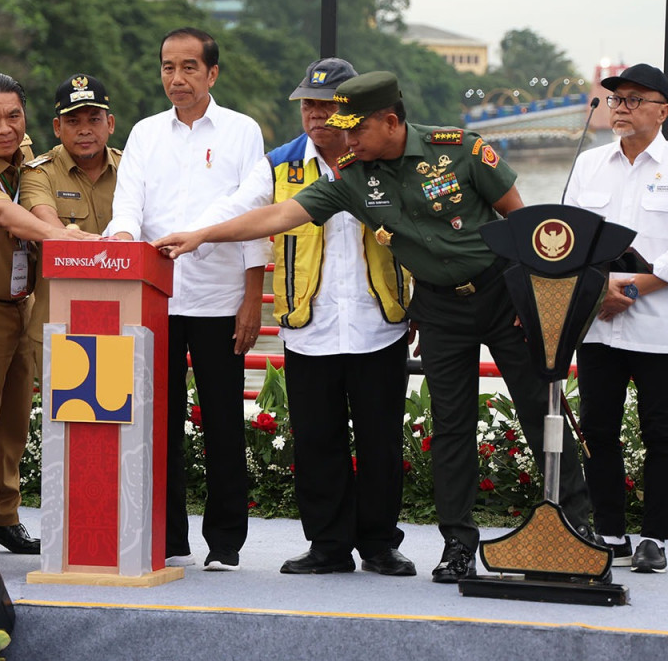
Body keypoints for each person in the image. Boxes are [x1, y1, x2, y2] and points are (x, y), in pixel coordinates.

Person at [153, 71, 594, 583]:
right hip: (440, 309)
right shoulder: (353, 177)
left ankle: (576, 528)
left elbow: (523, 221)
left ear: (390, 120)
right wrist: (202, 235)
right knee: (451, 427)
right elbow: (277, 216)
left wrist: (535, 290)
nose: (349, 139)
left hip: (502, 296)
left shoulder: (461, 150)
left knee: (542, 411)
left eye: (357, 129)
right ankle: (457, 544)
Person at [190, 57, 417, 576]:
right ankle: (328, 545)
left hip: (377, 321)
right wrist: (193, 234)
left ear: (352, 109)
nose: (315, 114)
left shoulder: (385, 162)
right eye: (308, 104)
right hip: (308, 325)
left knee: (380, 439)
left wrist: (420, 299)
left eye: (328, 105)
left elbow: (423, 233)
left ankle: (380, 543)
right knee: (316, 440)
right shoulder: (280, 166)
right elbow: (239, 208)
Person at [106, 27, 270, 571]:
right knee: (158, 423)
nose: (176, 79)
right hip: (155, 299)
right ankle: (167, 537)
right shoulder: (145, 133)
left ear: (212, 73)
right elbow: (128, 201)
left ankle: (225, 542)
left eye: (189, 68)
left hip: (220, 299)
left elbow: (255, 206)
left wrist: (251, 294)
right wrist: (125, 239)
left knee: (223, 422)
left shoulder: (242, 131)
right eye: (167, 67)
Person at [0, 73, 97, 554]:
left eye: (13, 116)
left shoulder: (24, 154)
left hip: (17, 306)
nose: (4, 128)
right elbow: (6, 215)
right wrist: (67, 238)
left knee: (12, 423)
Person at [564, 63, 668, 573]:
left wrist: (626, 286)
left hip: (656, 322)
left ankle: (654, 538)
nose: (620, 108)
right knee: (598, 429)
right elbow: (568, 236)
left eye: (632, 99)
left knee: (660, 432)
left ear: (662, 110)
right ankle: (610, 532)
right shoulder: (588, 166)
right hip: (598, 322)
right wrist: (596, 288)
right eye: (614, 100)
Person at [20, 73, 121, 375]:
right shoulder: (39, 174)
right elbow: (50, 228)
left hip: (124, 320)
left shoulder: (132, 171)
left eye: (94, 119)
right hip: (60, 323)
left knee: (123, 417)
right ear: (57, 128)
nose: (85, 130)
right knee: (60, 419)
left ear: (110, 124)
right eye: (73, 121)